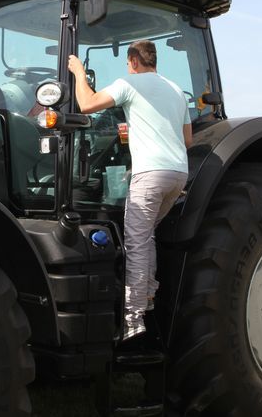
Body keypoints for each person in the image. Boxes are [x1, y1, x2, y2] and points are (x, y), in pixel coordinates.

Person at [68, 40, 192, 340]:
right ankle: (148, 295)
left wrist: (79, 73)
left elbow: (87, 104)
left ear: (134, 61)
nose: (127, 67)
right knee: (146, 235)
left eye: (127, 63)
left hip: (150, 174)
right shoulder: (176, 90)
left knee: (136, 243)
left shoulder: (129, 83)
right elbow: (187, 140)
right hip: (178, 174)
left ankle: (133, 320)